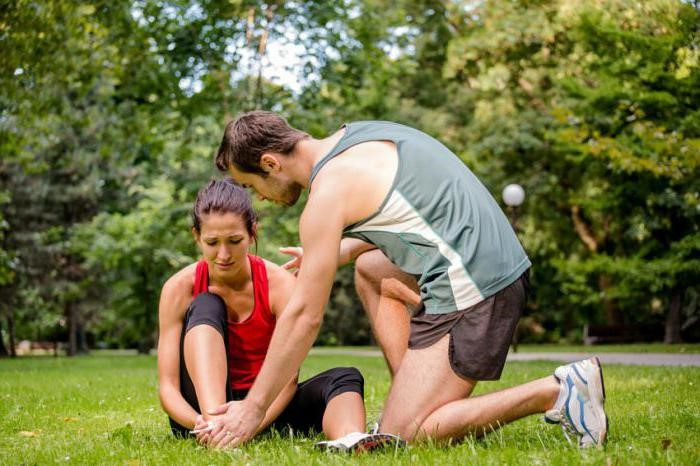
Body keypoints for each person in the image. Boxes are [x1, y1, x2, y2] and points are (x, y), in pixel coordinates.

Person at [208, 111, 608, 449]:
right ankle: (415, 395)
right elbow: (419, 209)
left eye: (251, 185)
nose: (259, 197)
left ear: (270, 163)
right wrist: (345, 250)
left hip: (478, 287)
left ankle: (558, 391)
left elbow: (304, 317)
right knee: (370, 269)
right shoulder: (360, 135)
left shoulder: (327, 193)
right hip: (496, 265)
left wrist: (253, 408)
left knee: (405, 436)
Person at [157, 179, 378, 449]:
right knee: (206, 303)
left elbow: (288, 379)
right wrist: (202, 423)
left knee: (345, 377)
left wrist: (249, 424)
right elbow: (168, 386)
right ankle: (218, 426)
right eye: (212, 242)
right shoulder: (179, 288)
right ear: (196, 236)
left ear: (252, 233)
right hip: (201, 414)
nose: (223, 254)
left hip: (265, 404)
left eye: (235, 241)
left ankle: (350, 440)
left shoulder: (280, 285)